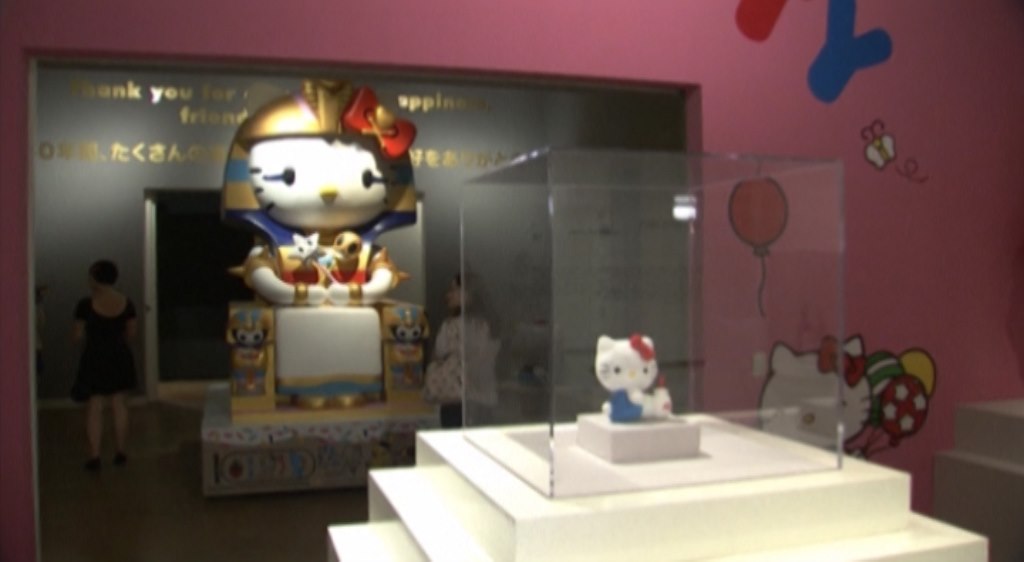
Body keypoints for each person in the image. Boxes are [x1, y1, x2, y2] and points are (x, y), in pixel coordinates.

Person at [70, 260, 138, 471]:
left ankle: (95, 456)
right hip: (120, 355)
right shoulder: (127, 303)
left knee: (95, 405)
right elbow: (131, 333)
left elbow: (77, 335)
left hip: (95, 356)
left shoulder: (85, 304)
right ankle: (120, 451)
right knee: (119, 403)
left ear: (95, 278)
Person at [424, 273, 499, 428]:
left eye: (454, 289)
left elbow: (438, 354)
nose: (448, 295)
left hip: (454, 397)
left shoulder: (450, 325)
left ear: (469, 293)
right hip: (484, 396)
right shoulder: (488, 325)